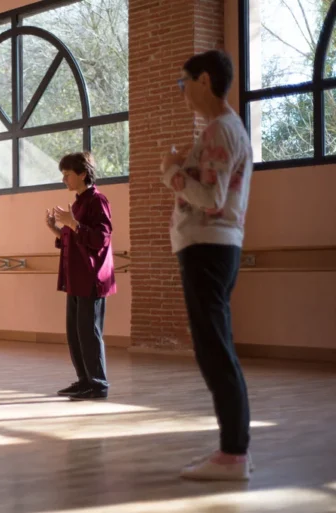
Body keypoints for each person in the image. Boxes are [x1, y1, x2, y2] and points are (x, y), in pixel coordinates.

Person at [161, 50, 253, 481]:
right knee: (213, 347)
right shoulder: (222, 130)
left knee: (214, 349)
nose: (182, 93)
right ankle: (233, 451)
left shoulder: (221, 129)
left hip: (209, 249)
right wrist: (185, 167)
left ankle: (234, 453)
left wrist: (171, 173)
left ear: (203, 79)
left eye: (184, 84)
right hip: (211, 249)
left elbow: (212, 200)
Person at [45, 152, 115, 400]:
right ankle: (84, 379)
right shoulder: (77, 203)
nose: (64, 180)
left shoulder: (98, 201)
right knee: (75, 333)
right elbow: (73, 240)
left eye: (67, 175)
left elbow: (101, 239)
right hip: (74, 278)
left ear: (83, 174)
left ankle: (98, 383)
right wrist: (57, 230)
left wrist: (72, 224)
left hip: (91, 278)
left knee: (89, 332)